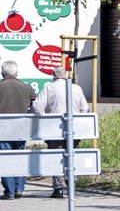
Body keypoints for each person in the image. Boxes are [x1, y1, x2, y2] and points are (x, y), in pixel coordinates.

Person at [32, 66, 90, 198]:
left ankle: (58, 188)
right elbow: (84, 108)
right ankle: (71, 184)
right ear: (66, 75)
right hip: (74, 128)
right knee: (71, 156)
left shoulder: (49, 87)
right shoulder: (76, 88)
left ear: (54, 75)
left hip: (54, 128)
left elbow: (37, 106)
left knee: (56, 158)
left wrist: (43, 118)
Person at [0, 60, 35, 199]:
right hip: (21, 129)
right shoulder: (26, 87)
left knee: (5, 159)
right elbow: (34, 106)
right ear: (17, 73)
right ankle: (19, 188)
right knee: (20, 157)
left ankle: (9, 191)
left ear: (2, 73)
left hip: (3, 130)